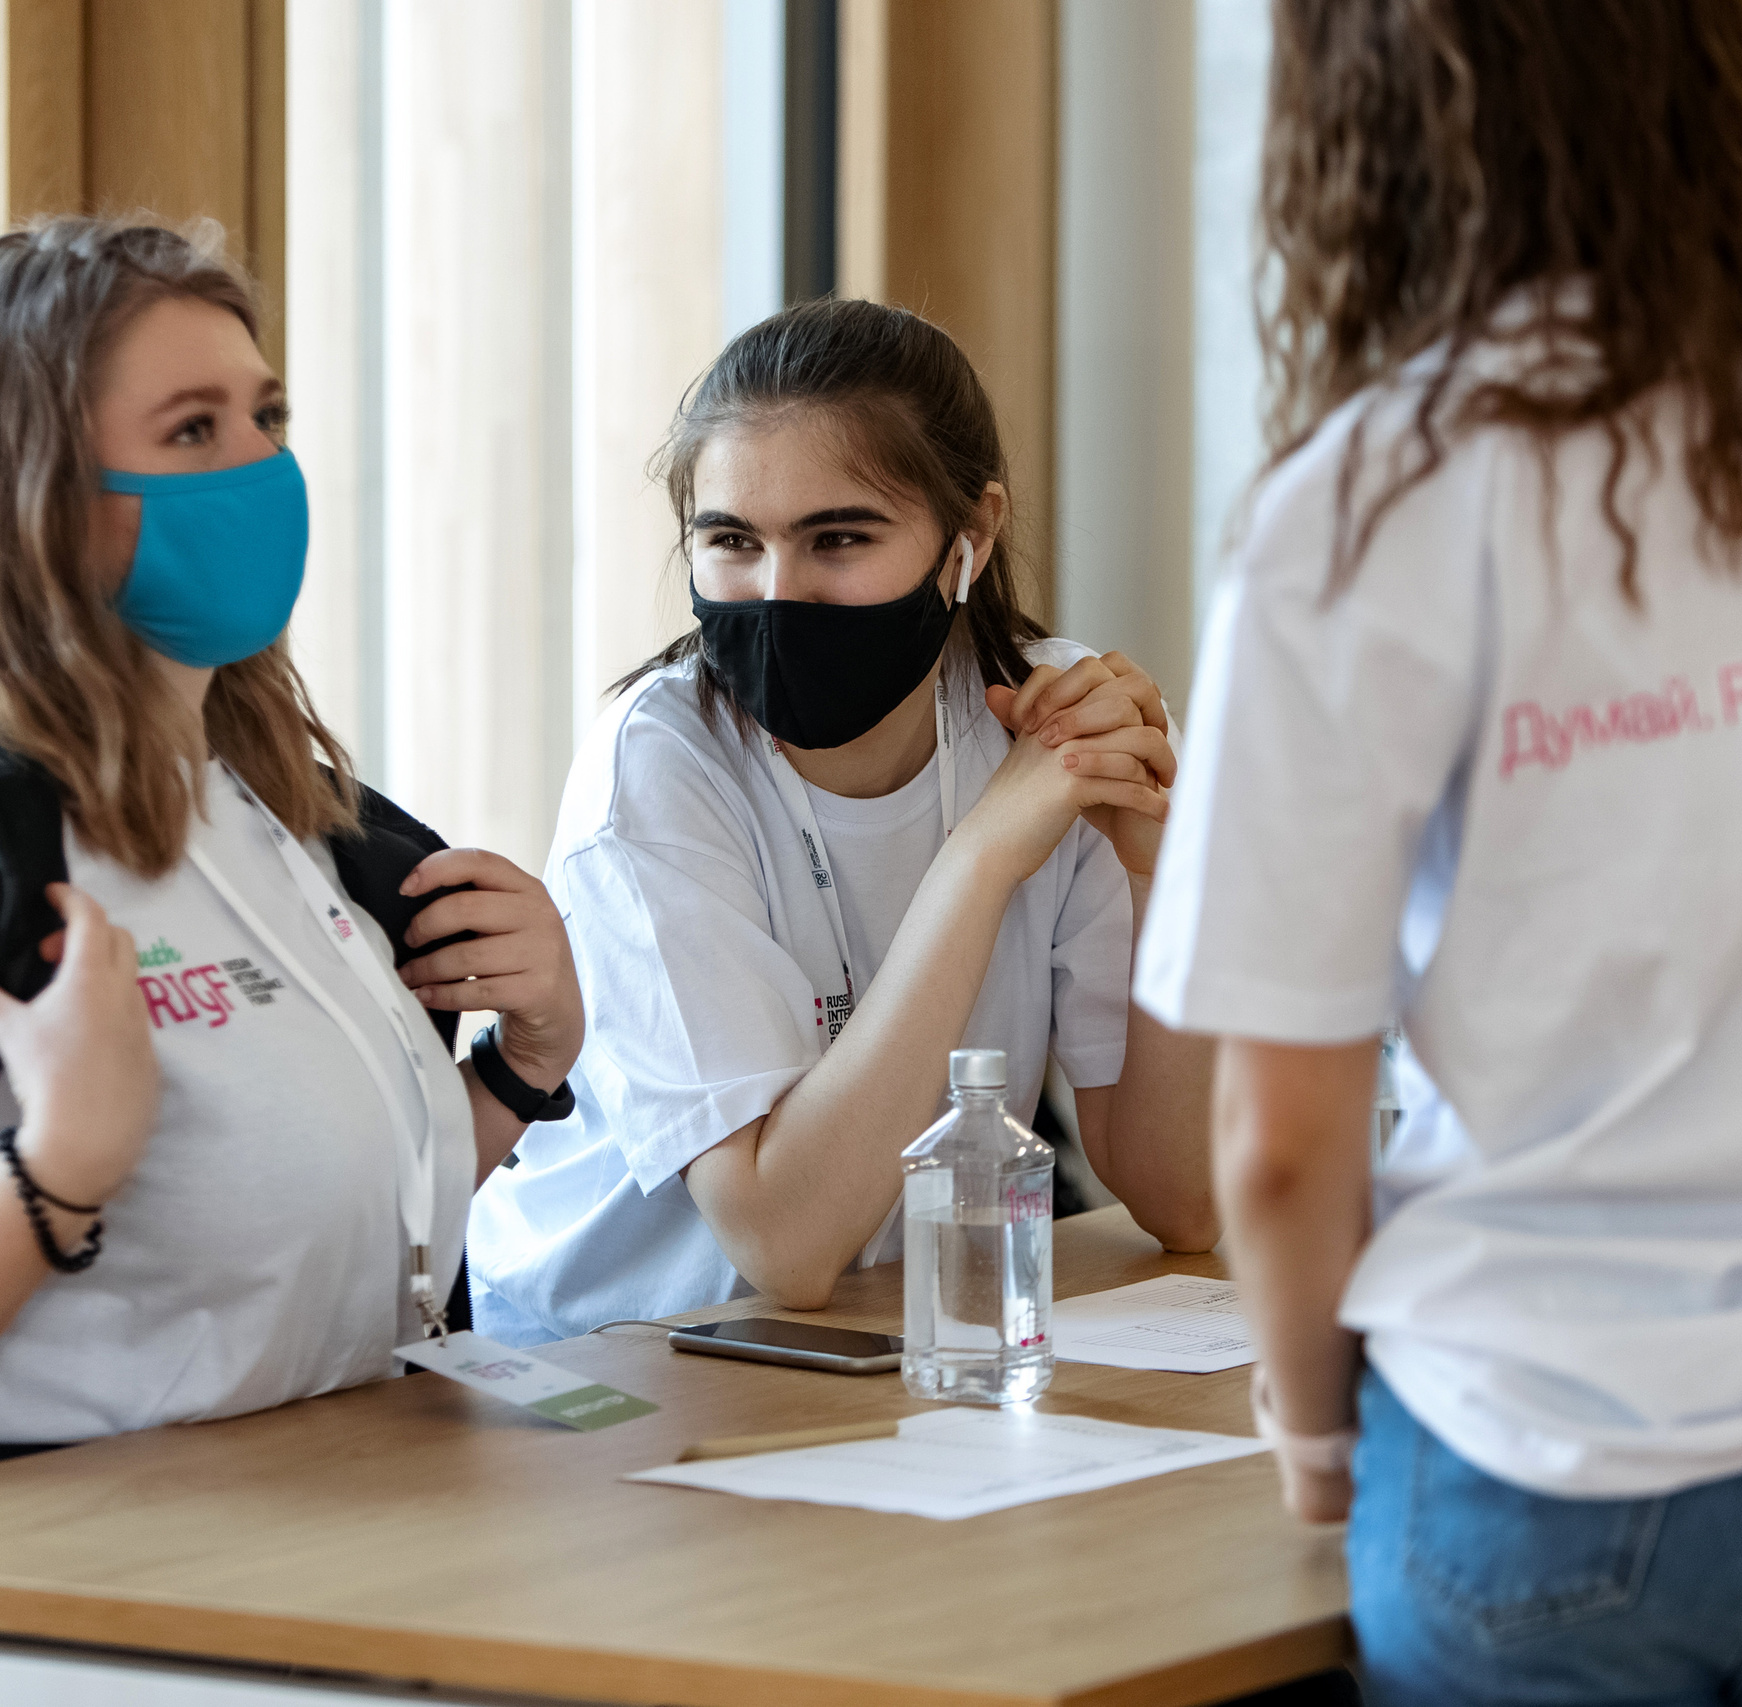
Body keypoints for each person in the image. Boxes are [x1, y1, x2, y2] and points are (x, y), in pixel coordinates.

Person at [1135, 3, 1742, 1701]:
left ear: (1360, 112)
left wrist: (1312, 1429)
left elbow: (1281, 1139)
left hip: (1535, 1452)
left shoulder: (1378, 496)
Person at [0, 217, 584, 1525]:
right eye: (193, 430)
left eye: (268, 415)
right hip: (44, 1583)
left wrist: (518, 1067)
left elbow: (296, 1217)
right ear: (28, 492)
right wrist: (62, 1164)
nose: (261, 465)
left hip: (327, 1522)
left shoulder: (295, 817)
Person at [468, 299, 1216, 1343]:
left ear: (973, 533)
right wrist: (984, 857)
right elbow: (785, 1244)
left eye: (838, 539)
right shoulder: (656, 765)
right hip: (619, 1360)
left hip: (887, 1341)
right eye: (732, 540)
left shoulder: (1059, 722)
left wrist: (1164, 869)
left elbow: (1183, 1204)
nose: (780, 594)